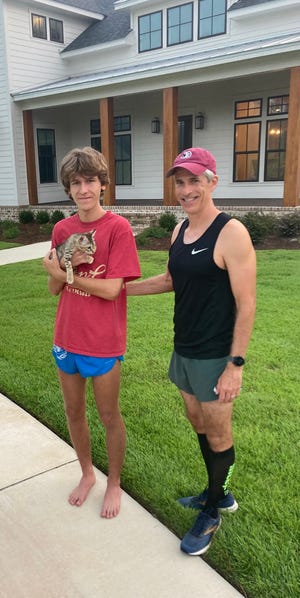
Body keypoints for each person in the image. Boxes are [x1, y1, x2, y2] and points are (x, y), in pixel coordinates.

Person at [127, 147, 256, 555]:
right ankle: (216, 491)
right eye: (179, 182)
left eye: (193, 180)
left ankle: (214, 509)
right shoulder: (179, 232)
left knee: (218, 432)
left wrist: (235, 365)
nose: (185, 190)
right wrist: (120, 291)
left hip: (216, 354)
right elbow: (170, 278)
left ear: (212, 181)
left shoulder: (231, 232)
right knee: (197, 420)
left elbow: (247, 303)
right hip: (184, 349)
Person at [43, 146, 141, 519]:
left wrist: (66, 273)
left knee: (109, 414)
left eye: (91, 181)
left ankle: (113, 481)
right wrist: (63, 274)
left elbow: (114, 289)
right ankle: (87, 473)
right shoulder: (62, 229)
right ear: (69, 188)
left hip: (102, 342)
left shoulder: (117, 228)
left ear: (103, 185)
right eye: (76, 182)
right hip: (66, 337)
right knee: (73, 411)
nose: (84, 189)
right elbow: (55, 290)